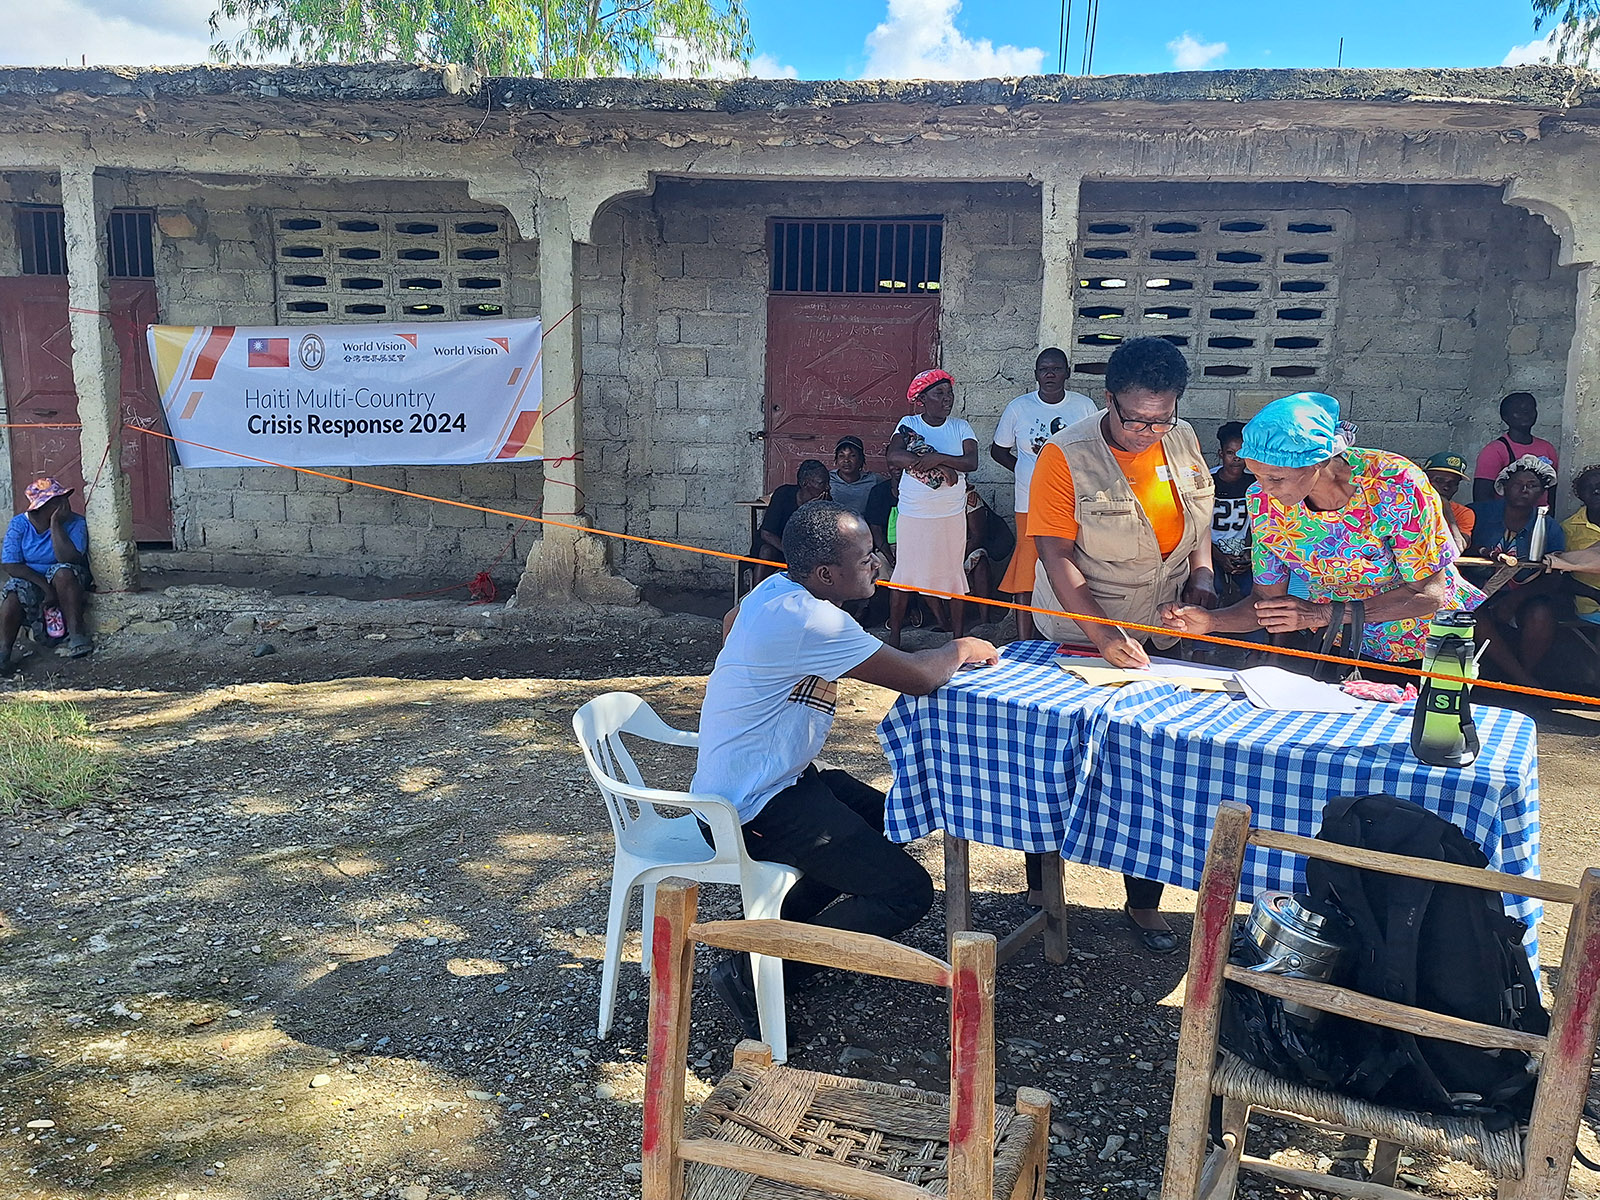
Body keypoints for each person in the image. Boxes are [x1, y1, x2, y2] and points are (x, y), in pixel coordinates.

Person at [694, 500, 1000, 1036]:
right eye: (864, 559)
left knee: (891, 820)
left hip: (780, 781)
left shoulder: (775, 591)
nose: (878, 563)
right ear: (825, 575)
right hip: (748, 805)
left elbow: (729, 620)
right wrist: (960, 646)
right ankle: (758, 968)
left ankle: (784, 933)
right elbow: (918, 676)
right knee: (905, 892)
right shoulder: (812, 618)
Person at [1028, 335, 1217, 955]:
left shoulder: (1181, 438)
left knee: (1153, 761)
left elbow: (1199, 526)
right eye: (1135, 418)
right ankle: (1042, 891)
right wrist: (1104, 637)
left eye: (1161, 418)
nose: (1147, 431)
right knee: (1062, 758)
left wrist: (1204, 583)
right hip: (1083, 631)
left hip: (1162, 629)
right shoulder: (1065, 455)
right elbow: (1055, 556)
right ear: (1108, 399)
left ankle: (1143, 902)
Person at [1162, 391, 1482, 678]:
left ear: (1319, 461)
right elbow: (1266, 601)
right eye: (1256, 475)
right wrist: (1211, 622)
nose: (1265, 490)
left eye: (1276, 477)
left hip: (1425, 651)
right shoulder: (1263, 501)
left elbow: (1428, 594)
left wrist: (1321, 613)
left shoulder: (1395, 486)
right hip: (1339, 646)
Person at [990, 348, 1097, 639]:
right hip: (1028, 503)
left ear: (1067, 373)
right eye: (1043, 369)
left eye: (1056, 369)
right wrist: (1027, 474)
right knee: (1026, 571)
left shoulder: (1084, 407)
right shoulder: (1019, 408)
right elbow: (998, 450)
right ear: (1036, 374)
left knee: (1068, 567)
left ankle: (1068, 632)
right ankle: (1025, 638)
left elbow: (1096, 450)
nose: (1049, 374)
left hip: (1071, 502)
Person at [885, 369, 978, 648]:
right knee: (905, 573)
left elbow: (971, 462)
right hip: (914, 514)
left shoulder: (961, 427)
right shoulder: (909, 423)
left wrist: (937, 458)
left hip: (950, 514)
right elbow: (894, 456)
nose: (947, 399)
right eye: (939, 394)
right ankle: (894, 636)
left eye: (949, 394)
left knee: (952, 573)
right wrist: (944, 466)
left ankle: (958, 639)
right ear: (922, 398)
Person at [1467, 455, 1566, 689]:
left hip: (1524, 594)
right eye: (1518, 484)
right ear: (1504, 487)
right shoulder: (1479, 514)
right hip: (1475, 591)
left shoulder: (1549, 526)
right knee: (1473, 613)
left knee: (1541, 614)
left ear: (1541, 492)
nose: (1524, 490)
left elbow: (1554, 577)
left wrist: (1516, 598)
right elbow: (1458, 547)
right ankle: (1523, 682)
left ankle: (1520, 677)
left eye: (1532, 486)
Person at [3, 477, 93, 674]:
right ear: (41, 506)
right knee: (12, 596)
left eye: (64, 498)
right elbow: (11, 564)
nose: (64, 504)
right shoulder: (19, 525)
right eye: (57, 500)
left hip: (67, 578)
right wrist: (45, 588)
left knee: (63, 572)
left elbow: (69, 558)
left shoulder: (76, 523)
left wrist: (55, 525)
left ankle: (77, 636)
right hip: (33, 578)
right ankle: (4, 653)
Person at [751, 459, 831, 582]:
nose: (827, 487)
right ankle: (756, 594)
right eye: (822, 483)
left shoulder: (826, 501)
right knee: (767, 552)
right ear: (805, 483)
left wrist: (814, 509)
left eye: (828, 483)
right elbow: (766, 533)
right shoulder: (783, 494)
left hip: (802, 550)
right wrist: (790, 551)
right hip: (776, 545)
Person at [1473, 392, 1558, 508]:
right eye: (1518, 411)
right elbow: (1482, 497)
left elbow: (1553, 492)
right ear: (1505, 417)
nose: (1526, 415)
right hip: (1507, 519)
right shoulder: (1494, 451)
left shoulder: (1547, 448)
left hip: (1540, 517)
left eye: (1530, 410)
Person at [1210, 420, 1256, 604]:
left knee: (1254, 589)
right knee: (1213, 588)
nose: (1236, 458)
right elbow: (1197, 526)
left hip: (1241, 550)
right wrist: (1219, 557)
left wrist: (1248, 552)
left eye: (1241, 453)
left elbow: (1257, 523)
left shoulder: (1254, 483)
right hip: (1210, 550)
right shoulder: (1209, 481)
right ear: (1221, 454)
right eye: (1230, 453)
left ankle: (1251, 628)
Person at [962, 484, 1016, 612]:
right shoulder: (923, 498)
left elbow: (977, 536)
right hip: (940, 550)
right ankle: (942, 621)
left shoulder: (969, 497)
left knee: (979, 561)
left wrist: (956, 558)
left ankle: (984, 617)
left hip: (965, 549)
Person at [1557, 464, 1600, 621]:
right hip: (1592, 605)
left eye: (1599, 486)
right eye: (1588, 488)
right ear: (1579, 495)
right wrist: (1594, 594)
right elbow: (1559, 577)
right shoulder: (1568, 529)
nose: (1596, 491)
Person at [1422, 451, 1477, 553]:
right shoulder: (1407, 505)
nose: (1446, 487)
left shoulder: (1463, 513)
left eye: (1453, 483)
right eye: (1439, 480)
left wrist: (1446, 508)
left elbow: (1457, 548)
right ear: (1424, 479)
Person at [827, 435, 883, 518]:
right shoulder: (828, 479)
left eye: (852, 455)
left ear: (861, 459)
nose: (846, 460)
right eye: (841, 456)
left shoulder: (874, 480)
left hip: (863, 528)